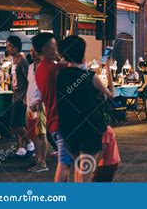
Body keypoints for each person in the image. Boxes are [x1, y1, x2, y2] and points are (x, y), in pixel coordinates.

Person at [56, 35, 114, 183]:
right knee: (85, 174)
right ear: (82, 53)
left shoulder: (59, 75)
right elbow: (110, 95)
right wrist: (107, 68)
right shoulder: (90, 77)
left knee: (79, 169)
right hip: (89, 130)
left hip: (68, 129)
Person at [32, 32, 69, 182]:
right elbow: (78, 67)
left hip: (54, 121)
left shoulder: (40, 68)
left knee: (68, 163)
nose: (57, 49)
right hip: (62, 121)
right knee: (66, 164)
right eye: (54, 45)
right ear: (46, 49)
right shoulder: (54, 68)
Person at [6, 36, 34, 157]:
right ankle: (21, 147)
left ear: (16, 47)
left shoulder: (22, 60)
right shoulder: (12, 60)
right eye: (7, 46)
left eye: (10, 46)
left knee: (14, 124)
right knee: (19, 123)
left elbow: (29, 78)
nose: (8, 48)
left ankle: (29, 142)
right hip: (15, 95)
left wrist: (25, 96)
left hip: (21, 96)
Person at [26, 46, 48, 173]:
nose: (32, 53)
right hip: (30, 104)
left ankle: (42, 162)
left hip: (40, 105)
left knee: (41, 134)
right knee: (33, 134)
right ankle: (38, 159)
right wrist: (26, 99)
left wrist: (40, 101)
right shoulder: (30, 67)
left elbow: (48, 87)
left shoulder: (45, 67)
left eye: (34, 50)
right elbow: (31, 85)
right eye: (31, 51)